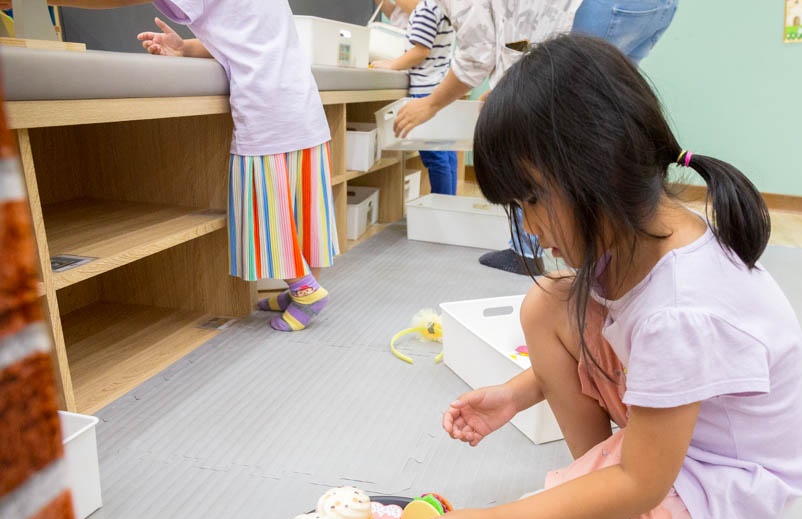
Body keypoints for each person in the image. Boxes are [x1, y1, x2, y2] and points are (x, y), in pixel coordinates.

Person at [383, 35, 802, 519]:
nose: (529, 227)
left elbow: (644, 475)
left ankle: (623, 502)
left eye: (532, 201)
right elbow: (625, 347)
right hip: (672, 431)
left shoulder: (681, 309)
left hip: (719, 475)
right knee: (547, 302)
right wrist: (518, 393)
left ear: (596, 171)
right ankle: (599, 482)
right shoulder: (633, 237)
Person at [42, 0, 339, 331]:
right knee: (303, 212)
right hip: (303, 110)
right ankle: (302, 289)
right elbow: (240, 38)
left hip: (266, 114)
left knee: (266, 214)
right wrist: (185, 48)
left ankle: (306, 292)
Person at [390, 0, 679, 276]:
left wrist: (430, 104)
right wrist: (505, 88)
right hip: (660, 8)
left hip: (600, 6)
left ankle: (532, 251)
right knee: (608, 110)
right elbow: (518, 37)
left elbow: (477, 55)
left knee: (554, 130)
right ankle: (635, 243)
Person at [372, 0, 457, 196]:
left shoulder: (426, 8)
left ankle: (441, 202)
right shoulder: (442, 7)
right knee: (446, 152)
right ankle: (448, 202)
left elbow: (421, 51)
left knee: (435, 157)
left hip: (424, 91)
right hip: (440, 87)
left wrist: (392, 64)